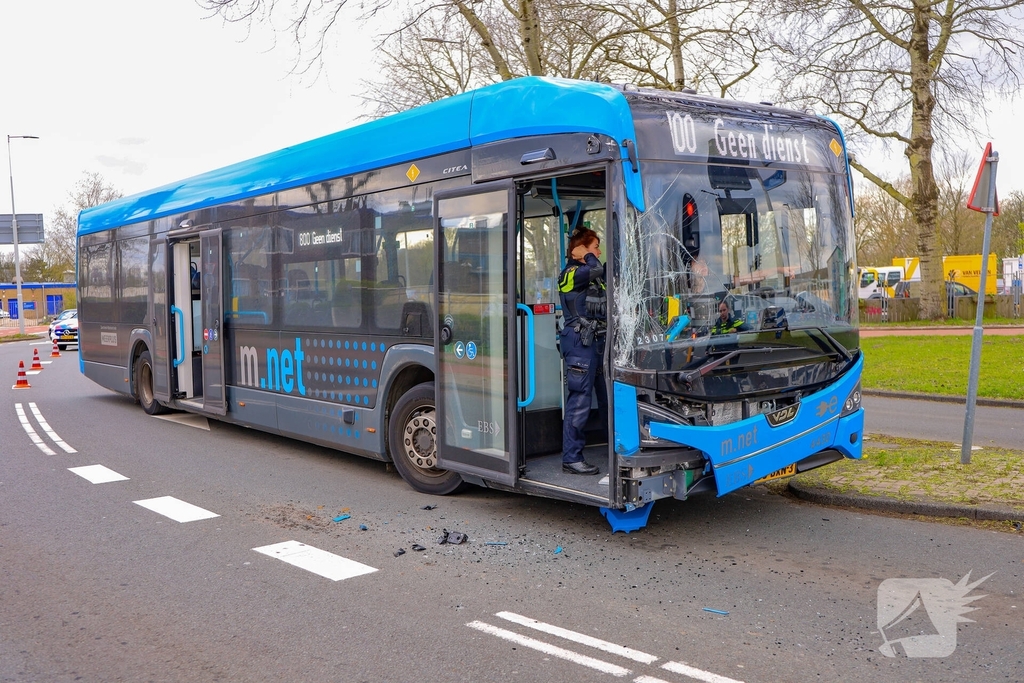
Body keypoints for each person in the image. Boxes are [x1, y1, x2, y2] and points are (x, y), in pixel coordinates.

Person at [557, 228, 608, 475]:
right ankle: (572, 458)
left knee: (608, 396)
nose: (599, 252)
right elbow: (597, 268)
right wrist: (584, 254)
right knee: (580, 400)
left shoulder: (591, 274)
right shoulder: (570, 273)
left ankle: (617, 448)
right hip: (579, 342)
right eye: (595, 247)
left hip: (598, 341)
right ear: (581, 251)